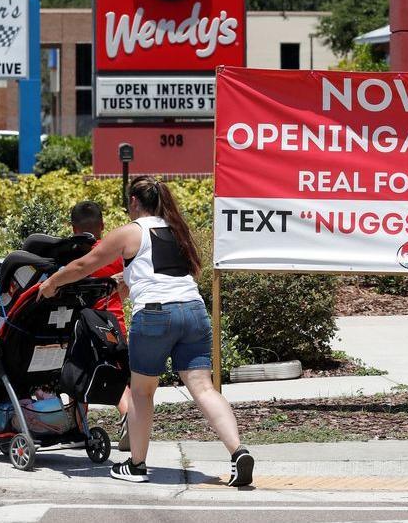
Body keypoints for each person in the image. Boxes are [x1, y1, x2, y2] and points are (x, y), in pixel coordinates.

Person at [40, 176, 253, 487]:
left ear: (135, 203)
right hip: (193, 310)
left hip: (155, 316)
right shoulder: (176, 230)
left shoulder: (130, 232)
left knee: (141, 392)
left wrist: (52, 283)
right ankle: (238, 452)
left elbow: (84, 264)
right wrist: (126, 282)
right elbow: (163, 273)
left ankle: (136, 465)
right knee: (204, 389)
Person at [69, 200, 131, 450]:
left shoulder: (75, 255)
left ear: (73, 228)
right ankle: (129, 417)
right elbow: (124, 290)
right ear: (103, 225)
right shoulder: (115, 253)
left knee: (76, 377)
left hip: (85, 328)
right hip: (115, 326)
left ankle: (81, 429)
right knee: (118, 379)